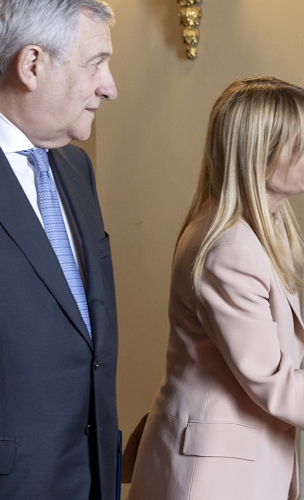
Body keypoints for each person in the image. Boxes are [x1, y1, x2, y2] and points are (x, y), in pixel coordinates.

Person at [126, 77, 304, 500]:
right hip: (209, 475)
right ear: (260, 154)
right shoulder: (230, 248)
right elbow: (272, 381)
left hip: (232, 461)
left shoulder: (259, 228)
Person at [0, 1, 119, 499]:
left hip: (92, 478)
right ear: (32, 64)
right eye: (96, 64)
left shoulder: (76, 168)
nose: (110, 87)